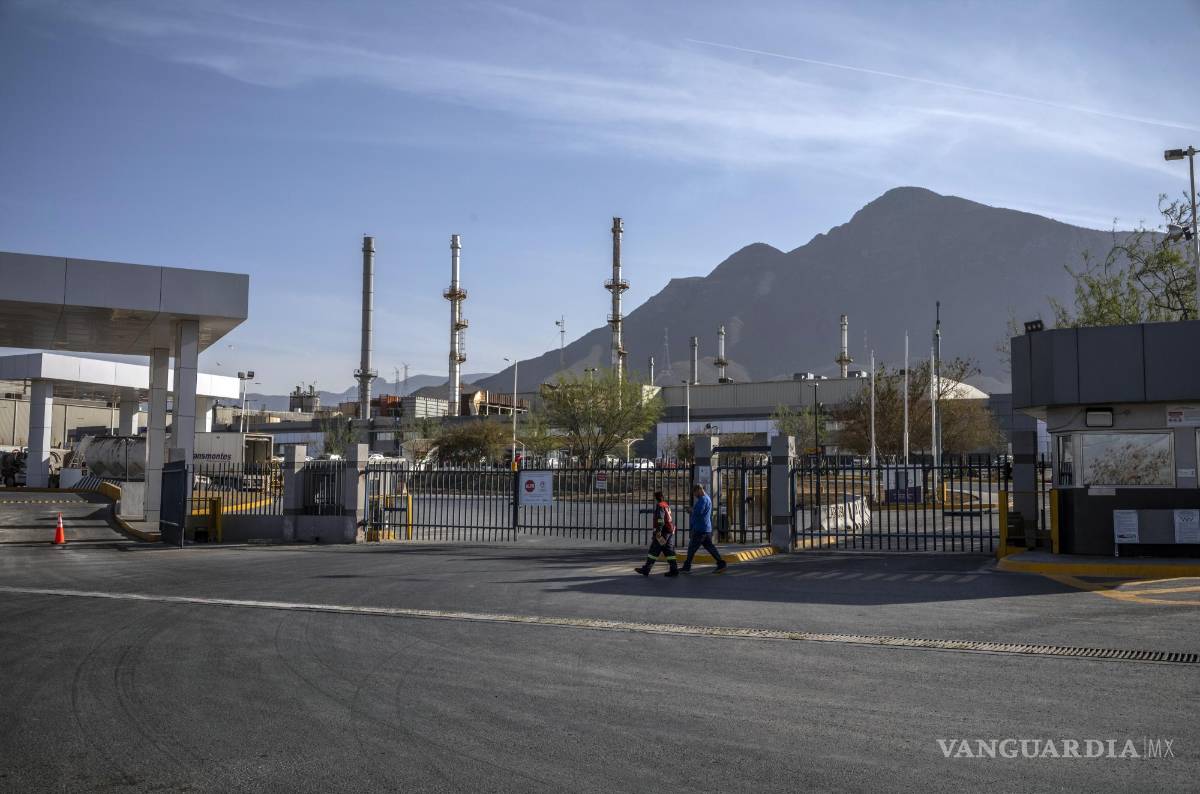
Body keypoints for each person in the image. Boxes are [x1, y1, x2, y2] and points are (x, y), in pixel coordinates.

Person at [681, 484, 726, 574]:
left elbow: (699, 512)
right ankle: (721, 564)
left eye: (694, 492)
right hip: (705, 528)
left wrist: (691, 510)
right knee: (710, 548)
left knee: (691, 548)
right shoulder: (707, 498)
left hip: (700, 529)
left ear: (699, 490)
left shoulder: (703, 500)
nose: (694, 495)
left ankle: (686, 567)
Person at [634, 490, 679, 577]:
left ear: (656, 498)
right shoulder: (666, 505)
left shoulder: (660, 506)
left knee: (654, 550)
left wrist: (658, 531)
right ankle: (674, 569)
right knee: (669, 551)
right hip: (669, 532)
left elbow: (660, 519)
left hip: (662, 533)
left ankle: (646, 569)